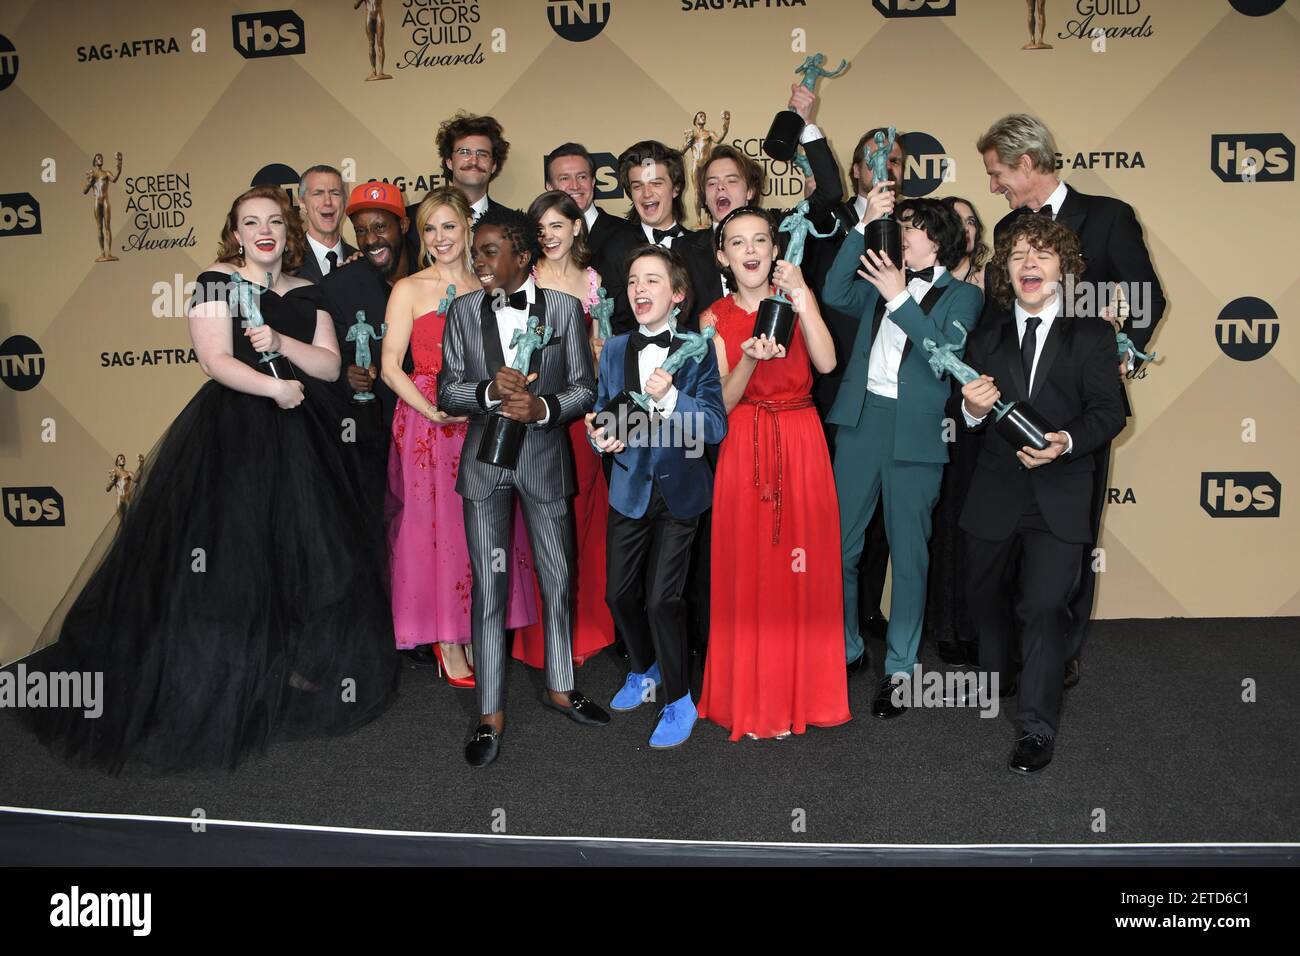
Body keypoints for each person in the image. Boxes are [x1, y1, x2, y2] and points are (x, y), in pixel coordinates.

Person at [25, 186, 399, 773]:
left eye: (274, 220)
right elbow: (214, 360)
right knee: (230, 557)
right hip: (238, 432)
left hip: (308, 434)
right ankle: (223, 681)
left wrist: (280, 344)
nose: (264, 231)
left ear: (289, 228)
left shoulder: (308, 289)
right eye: (251, 222)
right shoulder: (216, 280)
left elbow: (328, 364)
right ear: (236, 231)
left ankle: (288, 671)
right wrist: (273, 385)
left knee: (304, 554)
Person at [978, 113, 1165, 687]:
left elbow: (1145, 297)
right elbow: (996, 314)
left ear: (1027, 164)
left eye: (998, 172)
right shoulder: (1008, 225)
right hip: (1012, 405)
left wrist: (1120, 351)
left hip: (1082, 408)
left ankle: (1060, 653)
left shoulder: (1107, 217)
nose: (993, 186)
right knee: (1004, 532)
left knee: (1071, 532)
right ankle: (1013, 650)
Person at [437, 206, 606, 768]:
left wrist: (541, 407)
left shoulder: (563, 309)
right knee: (489, 586)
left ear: (523, 256)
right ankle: (489, 714)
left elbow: (584, 389)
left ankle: (562, 685)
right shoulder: (461, 312)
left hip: (543, 458)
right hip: (485, 466)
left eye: (489, 251)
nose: (478, 262)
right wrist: (487, 392)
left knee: (559, 575)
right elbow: (447, 392)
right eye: (475, 252)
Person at [959, 216, 1126, 773]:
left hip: (1059, 492)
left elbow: (1110, 412)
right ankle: (1003, 671)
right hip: (995, 493)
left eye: (1043, 255)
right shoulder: (985, 336)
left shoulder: (1093, 336)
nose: (1030, 264)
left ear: (1064, 268)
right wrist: (971, 410)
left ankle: (1036, 727)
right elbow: (957, 414)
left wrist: (1066, 441)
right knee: (983, 600)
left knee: (1046, 607)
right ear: (1004, 270)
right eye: (1018, 256)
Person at [822, 197, 982, 718]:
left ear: (938, 241)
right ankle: (846, 647)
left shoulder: (963, 296)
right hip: (861, 422)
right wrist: (864, 225)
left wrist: (899, 299)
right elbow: (831, 291)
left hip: (916, 433)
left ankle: (900, 667)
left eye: (911, 228)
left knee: (909, 555)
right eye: (899, 226)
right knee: (839, 550)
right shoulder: (877, 279)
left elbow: (945, 358)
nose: (902, 235)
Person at [696, 208, 850, 740]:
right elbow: (722, 399)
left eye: (760, 239)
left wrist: (804, 295)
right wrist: (747, 360)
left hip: (801, 440)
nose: (751, 250)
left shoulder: (797, 298)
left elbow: (827, 364)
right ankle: (754, 699)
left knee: (799, 570)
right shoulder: (713, 317)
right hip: (744, 445)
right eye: (737, 242)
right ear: (723, 256)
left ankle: (802, 695)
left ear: (774, 247)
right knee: (750, 570)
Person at [587, 245, 727, 747]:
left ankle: (678, 699)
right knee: (618, 594)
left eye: (651, 280)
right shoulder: (617, 348)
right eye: (632, 281)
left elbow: (712, 425)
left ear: (678, 296)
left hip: (681, 494)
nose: (639, 289)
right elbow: (605, 410)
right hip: (628, 488)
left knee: (663, 599)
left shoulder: (698, 348)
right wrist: (600, 433)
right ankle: (643, 668)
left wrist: (670, 398)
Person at [808, 127, 907, 659]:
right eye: (873, 161)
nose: (884, 168)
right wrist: (807, 124)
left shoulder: (915, 227)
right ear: (855, 171)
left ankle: (870, 608)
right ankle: (836, 621)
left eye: (892, 160)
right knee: (840, 518)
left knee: (888, 521)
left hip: (896, 392)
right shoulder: (830, 216)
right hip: (831, 381)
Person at [512, 190, 615, 669]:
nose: (550, 235)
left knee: (585, 517)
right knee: (544, 522)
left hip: (583, 416)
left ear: (577, 227)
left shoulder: (594, 281)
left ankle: (584, 626)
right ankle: (542, 638)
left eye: (558, 225)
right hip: (537, 417)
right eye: (542, 227)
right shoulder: (523, 280)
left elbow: (603, 350)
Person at [925, 195, 991, 667]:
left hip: (980, 411)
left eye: (971, 221)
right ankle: (945, 626)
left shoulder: (996, 283)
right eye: (955, 221)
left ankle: (976, 623)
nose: (964, 229)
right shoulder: (931, 286)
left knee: (975, 520)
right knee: (942, 521)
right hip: (934, 408)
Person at [545, 142, 640, 336]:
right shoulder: (537, 241)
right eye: (564, 178)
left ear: (593, 182)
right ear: (549, 187)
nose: (575, 185)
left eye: (582, 177)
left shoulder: (628, 236)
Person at [404, 113, 511, 266]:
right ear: (449, 161)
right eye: (464, 152)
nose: (474, 160)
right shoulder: (410, 221)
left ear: (493, 165)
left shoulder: (511, 224)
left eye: (483, 154)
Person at [295, 165, 356, 282]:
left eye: (335, 193)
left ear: (345, 202)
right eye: (318, 193)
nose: (328, 202)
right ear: (302, 204)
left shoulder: (362, 261)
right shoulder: (285, 262)